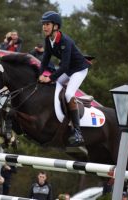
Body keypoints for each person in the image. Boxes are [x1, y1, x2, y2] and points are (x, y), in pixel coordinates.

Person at [38, 11, 91, 146]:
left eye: (47, 24)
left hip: (79, 70)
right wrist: (39, 74)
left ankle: (78, 132)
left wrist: (50, 78)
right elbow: (44, 61)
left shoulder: (65, 41)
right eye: (43, 24)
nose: (44, 27)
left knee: (68, 94)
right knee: (51, 87)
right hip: (67, 70)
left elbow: (64, 66)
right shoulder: (48, 40)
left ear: (56, 26)